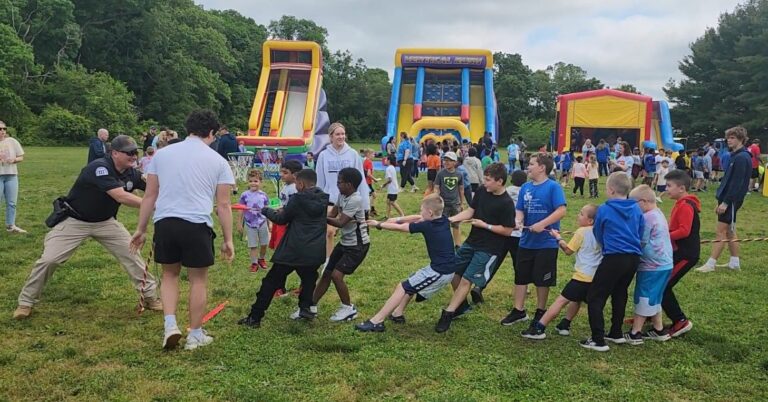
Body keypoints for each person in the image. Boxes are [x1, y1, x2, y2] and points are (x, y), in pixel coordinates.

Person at [14, 135, 161, 319]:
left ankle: (150, 297)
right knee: (49, 259)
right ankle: (25, 302)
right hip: (76, 220)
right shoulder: (99, 168)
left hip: (105, 222)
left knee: (132, 254)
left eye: (135, 152)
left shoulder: (132, 172)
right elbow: (121, 197)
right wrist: (154, 205)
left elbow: (154, 187)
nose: (134, 156)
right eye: (129, 152)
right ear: (114, 153)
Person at [130, 110, 235, 351]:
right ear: (212, 133)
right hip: (196, 223)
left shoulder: (162, 154)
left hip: (165, 222)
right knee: (198, 280)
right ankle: (195, 334)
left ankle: (170, 325)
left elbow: (150, 195)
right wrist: (228, 239)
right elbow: (224, 204)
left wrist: (141, 228)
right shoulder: (218, 161)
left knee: (169, 275)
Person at [237, 169, 328, 328]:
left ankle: (255, 317)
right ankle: (305, 308)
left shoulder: (298, 198)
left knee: (271, 282)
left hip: (293, 249)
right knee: (308, 280)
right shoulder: (323, 198)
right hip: (314, 249)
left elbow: (281, 219)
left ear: (300, 183)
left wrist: (266, 210)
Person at [435, 163, 516, 333]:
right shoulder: (481, 191)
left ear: (499, 181)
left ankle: (449, 313)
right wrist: (449, 220)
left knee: (466, 280)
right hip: (472, 242)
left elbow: (508, 230)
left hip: (489, 248)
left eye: (488, 180)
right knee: (452, 271)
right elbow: (471, 211)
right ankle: (461, 305)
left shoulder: (507, 203)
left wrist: (486, 225)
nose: (484, 182)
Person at [356, 195, 455, 332]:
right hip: (440, 268)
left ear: (430, 213)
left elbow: (403, 228)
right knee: (410, 283)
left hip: (440, 272)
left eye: (422, 210)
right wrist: (397, 219)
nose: (420, 213)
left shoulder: (428, 226)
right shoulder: (442, 220)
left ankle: (377, 321)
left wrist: (379, 224)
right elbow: (416, 217)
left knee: (402, 287)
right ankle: (397, 314)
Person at [500, 154, 567, 327]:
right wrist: (518, 221)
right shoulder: (525, 187)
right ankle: (518, 310)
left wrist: (542, 224)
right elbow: (520, 209)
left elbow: (561, 210)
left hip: (546, 243)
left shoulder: (553, 187)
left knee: (541, 279)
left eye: (531, 164)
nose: (527, 167)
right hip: (526, 241)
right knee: (521, 276)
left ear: (542, 167)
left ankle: (540, 310)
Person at [581, 172, 643, 352]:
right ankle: (616, 332)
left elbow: (597, 232)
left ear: (611, 190)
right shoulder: (636, 209)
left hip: (614, 256)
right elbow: (640, 230)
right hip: (633, 258)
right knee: (619, 292)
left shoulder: (605, 210)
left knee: (595, 296)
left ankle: (598, 339)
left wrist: (605, 245)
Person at [521, 204, 600, 340]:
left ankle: (539, 328)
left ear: (590, 221)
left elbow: (568, 250)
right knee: (577, 300)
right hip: (596, 277)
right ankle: (565, 324)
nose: (578, 215)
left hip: (581, 277)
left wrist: (558, 237)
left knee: (561, 301)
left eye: (581, 214)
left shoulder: (582, 231)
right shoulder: (602, 232)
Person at [306, 168, 370, 321]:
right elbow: (332, 215)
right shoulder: (342, 195)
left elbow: (340, 222)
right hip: (345, 243)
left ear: (349, 184)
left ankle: (348, 308)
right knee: (327, 273)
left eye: (339, 182)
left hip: (357, 246)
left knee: (336, 275)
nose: (337, 184)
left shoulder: (355, 199)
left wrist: (320, 217)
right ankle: (310, 306)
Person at [696, 126, 752, 273]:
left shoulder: (742, 157)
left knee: (720, 231)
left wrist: (726, 202)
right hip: (727, 199)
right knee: (730, 231)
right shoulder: (735, 156)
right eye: (728, 137)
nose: (729, 140)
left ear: (741, 139)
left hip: (732, 200)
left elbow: (737, 183)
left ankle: (710, 264)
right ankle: (734, 262)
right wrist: (720, 201)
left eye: (733, 138)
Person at [316, 122, 370, 268]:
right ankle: (328, 261)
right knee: (329, 231)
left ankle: (342, 258)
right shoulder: (323, 155)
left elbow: (361, 180)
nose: (341, 137)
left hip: (349, 200)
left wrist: (365, 204)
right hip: (331, 199)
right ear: (331, 137)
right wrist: (317, 199)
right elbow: (320, 180)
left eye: (343, 134)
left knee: (346, 232)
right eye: (337, 134)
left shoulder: (352, 154)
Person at [624, 185, 673, 344]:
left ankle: (635, 332)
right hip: (665, 264)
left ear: (643, 202)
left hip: (651, 266)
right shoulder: (658, 213)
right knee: (655, 298)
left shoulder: (647, 218)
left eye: (633, 203)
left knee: (643, 297)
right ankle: (659, 330)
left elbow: (641, 242)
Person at [470, 169, 527, 304]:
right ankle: (521, 286)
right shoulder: (525, 193)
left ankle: (479, 286)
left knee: (494, 263)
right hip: (517, 234)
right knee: (518, 263)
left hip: (500, 232)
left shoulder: (504, 191)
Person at [662, 170, 700, 338]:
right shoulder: (680, 203)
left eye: (669, 186)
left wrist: (664, 236)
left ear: (682, 188)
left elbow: (684, 231)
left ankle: (680, 320)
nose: (666, 188)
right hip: (679, 252)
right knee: (661, 283)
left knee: (663, 286)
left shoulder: (685, 205)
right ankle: (650, 315)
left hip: (686, 254)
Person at [269, 159, 303, 297]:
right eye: (281, 172)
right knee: (280, 255)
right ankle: (279, 287)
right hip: (281, 224)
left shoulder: (295, 189)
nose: (281, 175)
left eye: (285, 172)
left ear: (295, 175)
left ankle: (299, 286)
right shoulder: (285, 187)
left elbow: (292, 209)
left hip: (289, 227)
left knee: (284, 258)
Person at [238, 169, 270, 272]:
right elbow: (241, 210)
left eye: (255, 181)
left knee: (264, 243)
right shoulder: (244, 195)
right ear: (248, 182)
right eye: (251, 181)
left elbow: (267, 210)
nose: (253, 183)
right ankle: (254, 263)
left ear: (260, 182)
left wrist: (270, 224)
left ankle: (261, 258)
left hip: (262, 222)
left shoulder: (264, 195)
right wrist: (239, 224)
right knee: (253, 245)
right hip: (250, 223)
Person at [0, 121, 26, 233]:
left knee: (12, 202)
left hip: (11, 175)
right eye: (0, 129)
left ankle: (11, 226)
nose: (2, 131)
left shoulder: (12, 141)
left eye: (4, 129)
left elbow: (21, 157)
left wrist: (14, 160)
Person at [435, 152, 465, 250]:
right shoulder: (440, 174)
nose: (446, 162)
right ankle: (443, 244)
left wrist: (462, 202)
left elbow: (461, 189)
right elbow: (436, 188)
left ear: (454, 162)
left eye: (449, 160)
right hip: (444, 204)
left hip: (455, 204)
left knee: (456, 225)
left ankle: (457, 244)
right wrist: (437, 199)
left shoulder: (459, 174)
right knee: (443, 225)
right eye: (445, 160)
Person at [362, 149, 379, 216]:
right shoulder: (369, 162)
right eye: (373, 154)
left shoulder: (364, 161)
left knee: (373, 195)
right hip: (367, 183)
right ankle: (368, 211)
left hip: (366, 182)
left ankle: (372, 209)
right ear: (368, 154)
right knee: (371, 197)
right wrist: (375, 179)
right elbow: (368, 174)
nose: (374, 155)